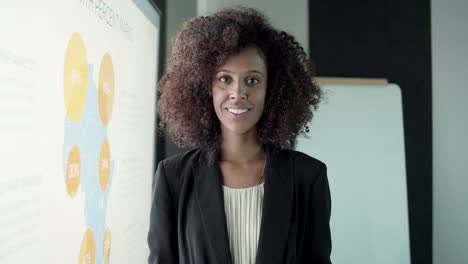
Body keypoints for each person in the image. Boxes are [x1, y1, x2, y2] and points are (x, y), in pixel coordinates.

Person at [148, 6, 332, 264]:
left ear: (273, 89)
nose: (238, 92)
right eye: (225, 79)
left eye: (252, 80)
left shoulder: (308, 177)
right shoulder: (173, 178)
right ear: (205, 87)